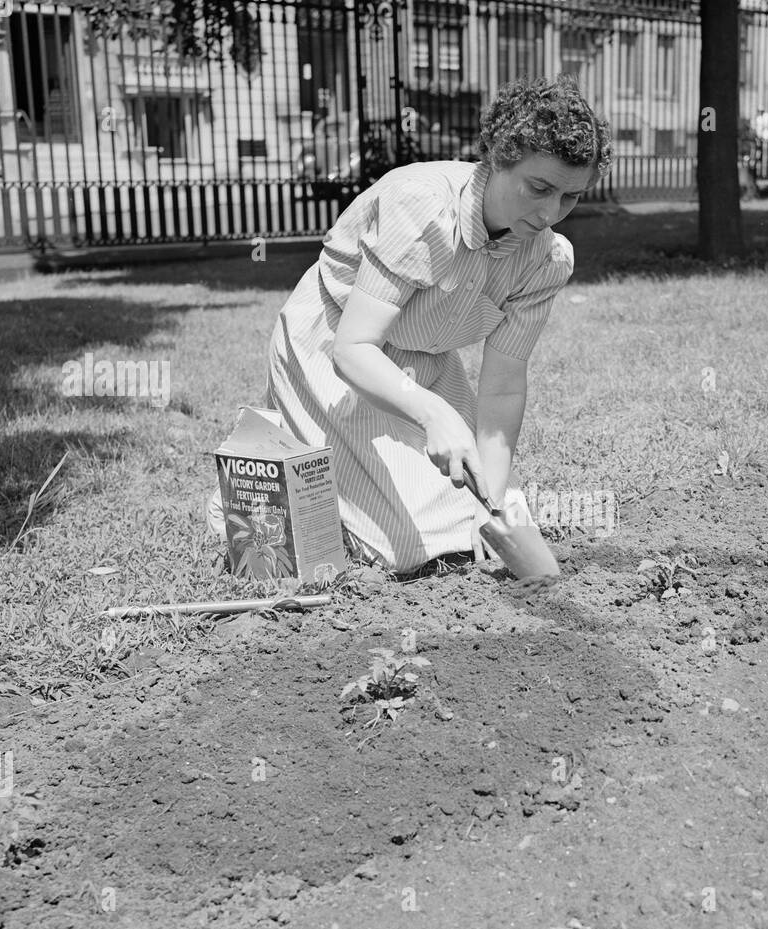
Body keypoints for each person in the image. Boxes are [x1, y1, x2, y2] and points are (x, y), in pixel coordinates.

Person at [206, 75, 612, 574]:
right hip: (334, 350)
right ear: (499, 157)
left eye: (570, 197)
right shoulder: (421, 206)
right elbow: (354, 348)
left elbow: (504, 385)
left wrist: (494, 505)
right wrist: (432, 414)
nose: (551, 213)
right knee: (403, 549)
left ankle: (318, 482)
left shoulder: (546, 260)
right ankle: (253, 499)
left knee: (463, 524)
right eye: (539, 188)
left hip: (425, 364)